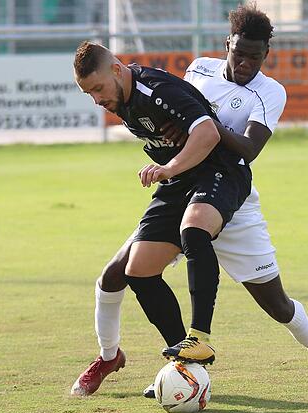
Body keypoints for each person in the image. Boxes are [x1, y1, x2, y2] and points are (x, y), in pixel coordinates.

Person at [71, 4, 308, 398]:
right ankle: (149, 359)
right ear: (227, 45)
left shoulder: (270, 91)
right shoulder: (199, 68)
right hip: (185, 183)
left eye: (255, 56)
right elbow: (175, 110)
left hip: (229, 189)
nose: (245, 63)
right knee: (122, 273)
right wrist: (179, 146)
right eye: (239, 53)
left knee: (275, 302)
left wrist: (202, 129)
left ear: (265, 55)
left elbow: (248, 147)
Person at [73, 40, 253, 368]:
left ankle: (200, 338)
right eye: (90, 95)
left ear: (117, 69)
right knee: (138, 270)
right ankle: (185, 360)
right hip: (179, 181)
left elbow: (209, 133)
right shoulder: (121, 100)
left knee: (194, 229)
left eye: (98, 89)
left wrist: (168, 167)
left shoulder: (155, 90)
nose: (97, 100)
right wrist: (171, 168)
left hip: (220, 171)